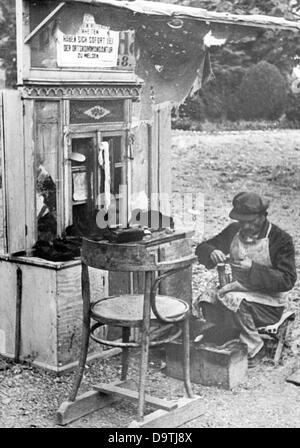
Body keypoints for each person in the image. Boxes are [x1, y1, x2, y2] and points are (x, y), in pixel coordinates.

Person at [195, 192, 297, 367]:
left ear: (263, 216)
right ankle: (228, 337)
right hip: (239, 290)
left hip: (269, 303)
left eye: (251, 221)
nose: (246, 226)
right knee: (206, 299)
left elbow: (287, 280)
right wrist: (211, 252)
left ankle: (254, 348)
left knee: (234, 300)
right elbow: (202, 247)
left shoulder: (280, 240)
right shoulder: (235, 230)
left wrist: (254, 269)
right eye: (242, 221)